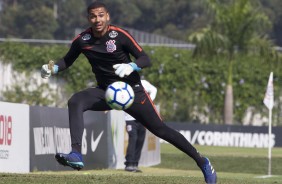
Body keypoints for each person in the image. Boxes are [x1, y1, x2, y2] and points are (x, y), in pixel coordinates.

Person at [40, 2, 217, 183]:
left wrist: (131, 66)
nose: (97, 19)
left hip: (133, 92)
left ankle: (202, 161)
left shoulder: (120, 35)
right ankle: (76, 154)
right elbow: (67, 61)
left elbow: (145, 58)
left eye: (101, 15)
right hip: (106, 92)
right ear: (88, 19)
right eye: (93, 16)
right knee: (75, 101)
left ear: (107, 16)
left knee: (160, 130)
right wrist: (51, 69)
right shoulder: (82, 40)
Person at [124, 79, 157, 172]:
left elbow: (154, 90)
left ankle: (135, 164)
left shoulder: (143, 82)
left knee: (140, 140)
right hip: (129, 118)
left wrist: (149, 101)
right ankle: (129, 164)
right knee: (133, 138)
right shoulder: (124, 84)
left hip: (142, 117)